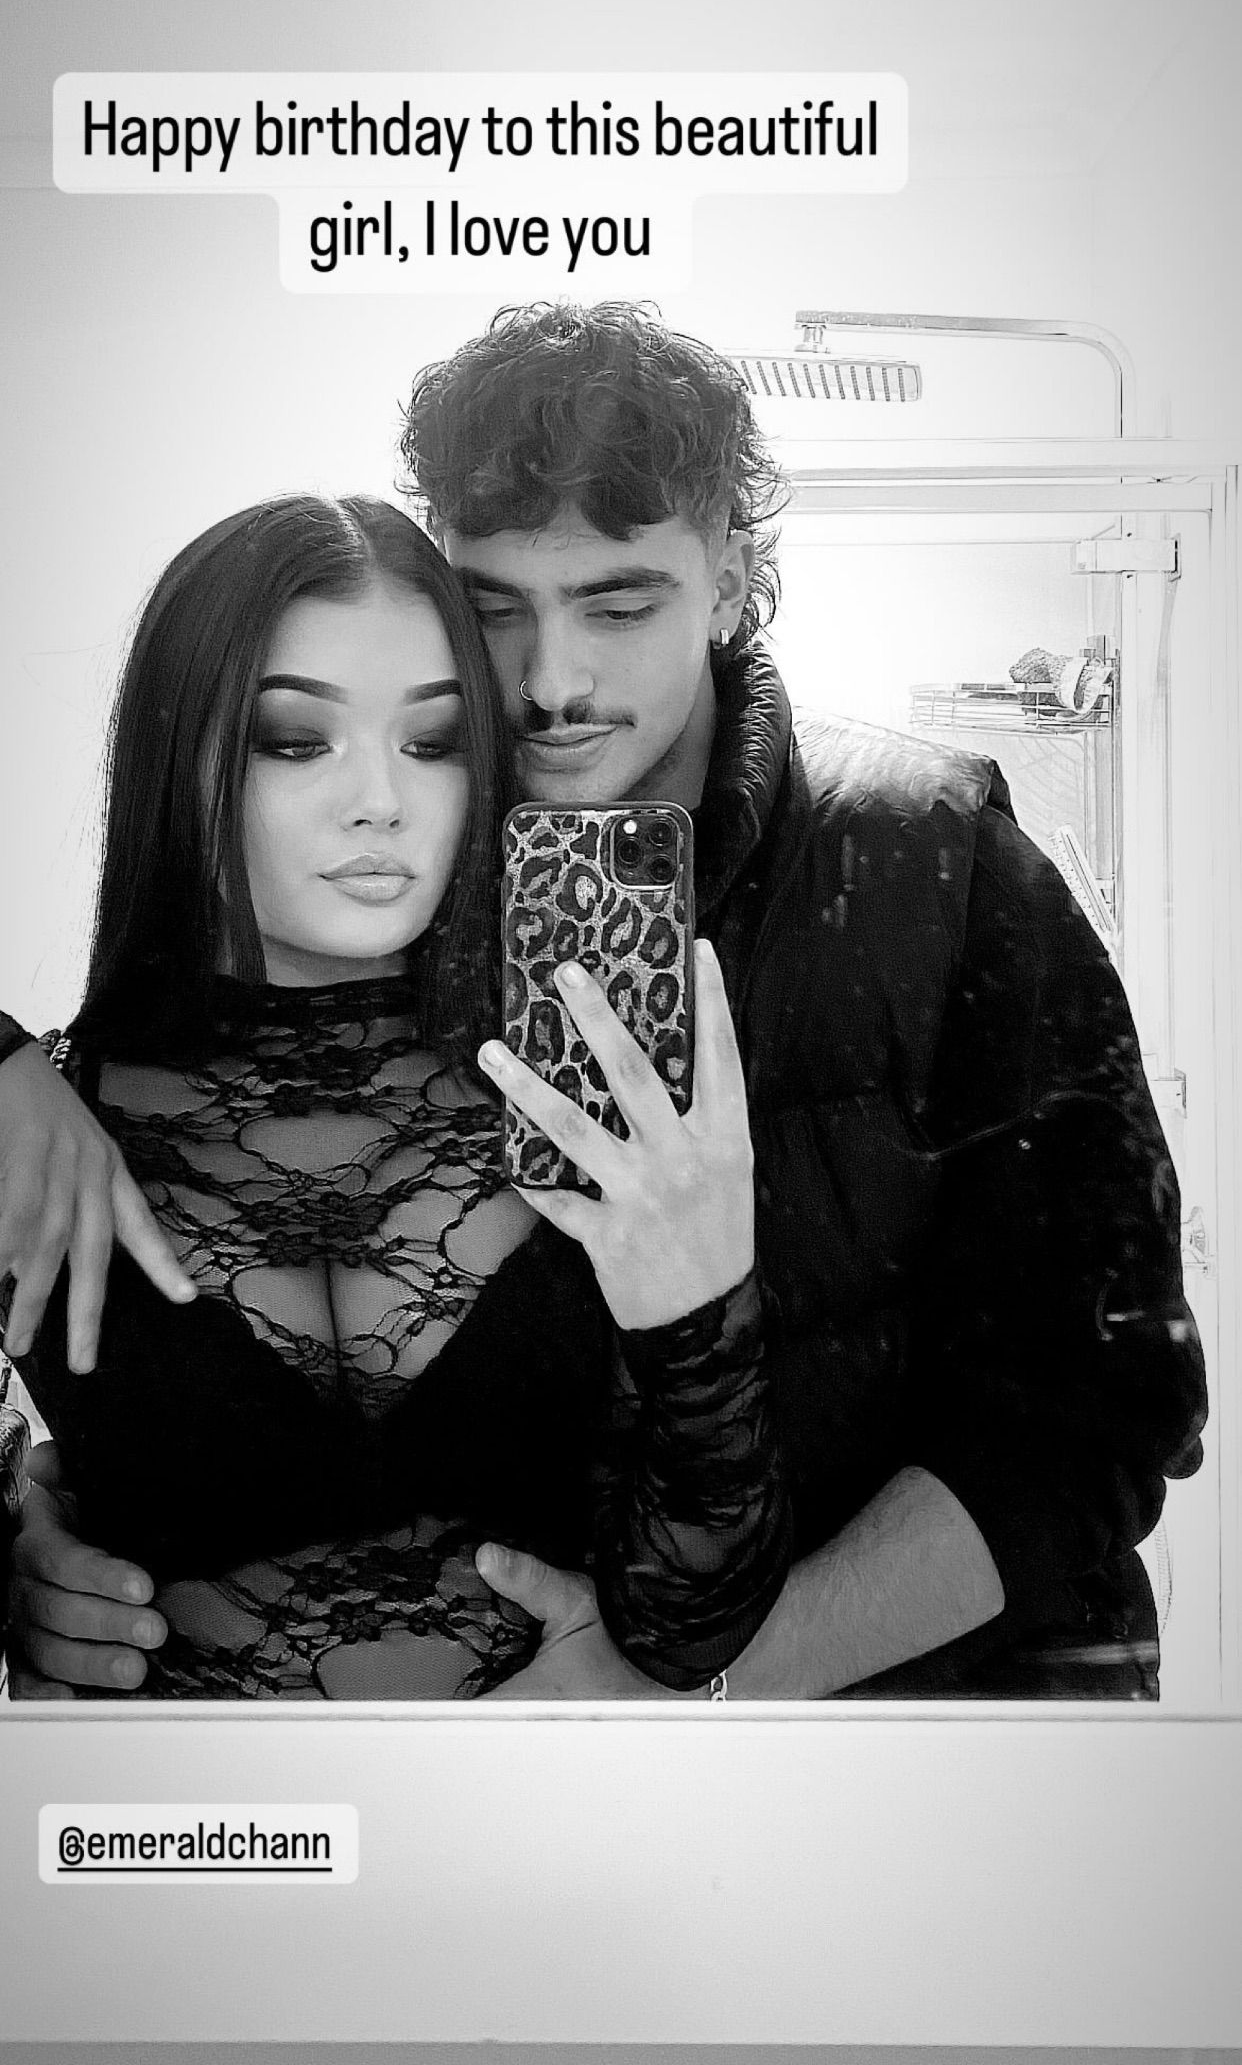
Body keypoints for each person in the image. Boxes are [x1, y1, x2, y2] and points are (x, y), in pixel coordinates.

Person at [1, 302, 1208, 1700]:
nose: (549, 684)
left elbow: (1101, 1404)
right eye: (494, 609)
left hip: (933, 1735)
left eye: (620, 605)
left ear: (733, 582)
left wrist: (690, 1698)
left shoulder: (931, 860)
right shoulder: (406, 905)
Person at [0, 491, 787, 1698]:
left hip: (551, 1818)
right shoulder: (43, 1126)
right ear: (180, 751)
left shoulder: (582, 1096)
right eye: (295, 739)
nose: (381, 799)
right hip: (174, 1818)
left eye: (433, 741)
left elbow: (693, 1627)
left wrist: (704, 1307)